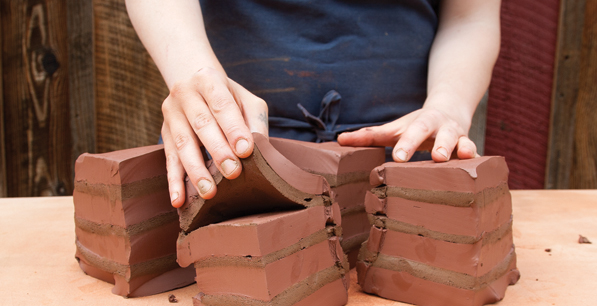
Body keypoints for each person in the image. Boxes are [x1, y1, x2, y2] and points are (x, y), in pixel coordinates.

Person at [125, 0, 501, 206]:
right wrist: (193, 76)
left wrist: (449, 105)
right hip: (229, 151)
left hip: (407, 157)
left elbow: (470, 17)